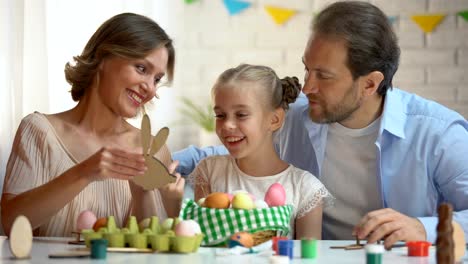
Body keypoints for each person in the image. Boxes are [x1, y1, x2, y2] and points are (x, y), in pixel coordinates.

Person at [173, 1, 468, 249]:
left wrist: (422, 228)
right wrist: (159, 162)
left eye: (324, 76)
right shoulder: (297, 115)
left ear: (369, 84)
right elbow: (223, 152)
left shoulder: (438, 134)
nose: (307, 87)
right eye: (306, 69)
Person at [1, 13, 185, 237]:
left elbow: (153, 250)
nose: (151, 89)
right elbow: (11, 223)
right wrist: (84, 172)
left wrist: (142, 194)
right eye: (141, 68)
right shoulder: (39, 131)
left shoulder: (152, 149)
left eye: (157, 79)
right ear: (103, 59)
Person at [188, 64, 332, 239]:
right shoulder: (209, 172)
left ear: (274, 120)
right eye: (220, 115)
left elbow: (309, 257)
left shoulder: (305, 189)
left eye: (241, 115)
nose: (227, 125)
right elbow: (198, 242)